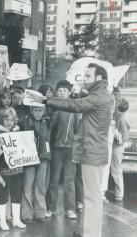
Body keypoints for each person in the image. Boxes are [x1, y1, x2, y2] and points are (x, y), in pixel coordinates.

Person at [28, 63, 112, 237]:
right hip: (93, 152)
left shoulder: (98, 97)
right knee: (91, 197)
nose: (84, 78)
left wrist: (45, 100)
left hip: (92, 153)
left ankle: (91, 234)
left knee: (92, 198)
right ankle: (87, 231)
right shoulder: (100, 94)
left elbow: (75, 105)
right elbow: (78, 100)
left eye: (88, 76)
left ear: (99, 78)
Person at [47, 80, 79, 219]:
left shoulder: (75, 108)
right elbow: (50, 127)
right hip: (56, 148)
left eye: (64, 91)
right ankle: (51, 208)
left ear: (69, 92)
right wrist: (53, 113)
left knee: (69, 180)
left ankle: (70, 209)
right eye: (59, 90)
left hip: (71, 149)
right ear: (56, 92)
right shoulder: (53, 107)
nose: (62, 93)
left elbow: (78, 129)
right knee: (53, 180)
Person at [0, 109, 26, 230]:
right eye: (6, 120)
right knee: (3, 194)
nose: (9, 122)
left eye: (11, 120)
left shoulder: (18, 131)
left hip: (17, 167)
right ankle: (2, 221)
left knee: (16, 193)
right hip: (3, 167)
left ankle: (16, 219)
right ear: (1, 120)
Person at [20, 105, 52, 223]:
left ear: (44, 111)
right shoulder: (26, 120)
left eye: (40, 110)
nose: (38, 113)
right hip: (29, 158)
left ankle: (40, 212)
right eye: (35, 110)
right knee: (27, 185)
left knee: (40, 185)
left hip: (43, 156)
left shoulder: (48, 121)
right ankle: (27, 214)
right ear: (31, 111)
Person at [110, 98, 130, 202]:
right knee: (116, 169)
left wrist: (119, 141)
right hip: (119, 146)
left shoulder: (118, 117)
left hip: (116, 146)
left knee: (116, 169)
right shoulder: (123, 116)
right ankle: (119, 194)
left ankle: (119, 194)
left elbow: (124, 135)